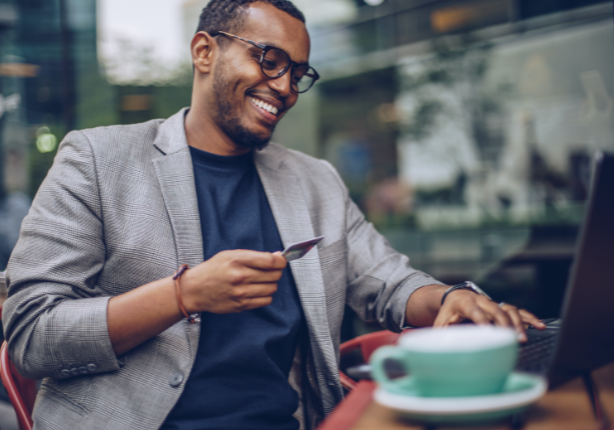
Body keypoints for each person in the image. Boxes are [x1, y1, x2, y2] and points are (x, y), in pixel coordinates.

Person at [1, 1, 544, 429]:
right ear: (204, 51)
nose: (285, 87)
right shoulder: (99, 158)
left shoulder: (314, 181)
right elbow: (32, 335)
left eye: (298, 72)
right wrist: (182, 295)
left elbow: (388, 283)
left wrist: (450, 299)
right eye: (269, 59)